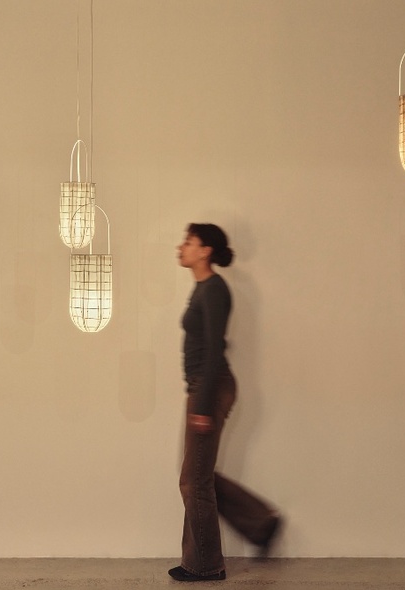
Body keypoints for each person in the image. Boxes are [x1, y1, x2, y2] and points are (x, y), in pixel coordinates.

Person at [168, 223, 282, 583]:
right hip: (203, 385)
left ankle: (205, 565)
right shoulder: (202, 288)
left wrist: (202, 403)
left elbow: (216, 348)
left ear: (205, 251)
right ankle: (260, 523)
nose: (181, 246)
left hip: (211, 386)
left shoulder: (215, 289)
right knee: (195, 477)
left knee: (193, 481)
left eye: (189, 241)